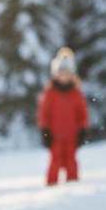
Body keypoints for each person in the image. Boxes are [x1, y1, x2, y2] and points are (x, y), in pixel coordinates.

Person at [37, 48, 89, 185]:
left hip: (72, 136)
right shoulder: (50, 92)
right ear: (56, 75)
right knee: (55, 163)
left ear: (72, 75)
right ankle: (52, 188)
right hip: (55, 136)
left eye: (67, 74)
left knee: (71, 163)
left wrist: (83, 129)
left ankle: (73, 188)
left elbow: (82, 113)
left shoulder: (77, 93)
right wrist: (44, 130)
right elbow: (44, 112)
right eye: (61, 74)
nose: (64, 77)